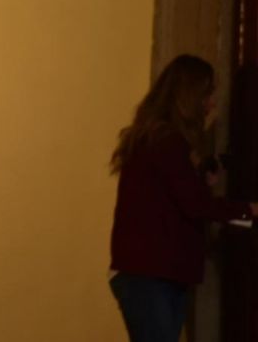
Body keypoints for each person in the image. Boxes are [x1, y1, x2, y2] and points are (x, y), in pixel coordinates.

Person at [109, 54, 258, 341]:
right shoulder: (166, 141)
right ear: (190, 96)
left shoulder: (155, 138)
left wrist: (201, 181)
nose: (213, 101)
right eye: (208, 93)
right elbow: (194, 204)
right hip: (151, 274)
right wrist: (247, 210)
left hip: (152, 273)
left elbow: (171, 198)